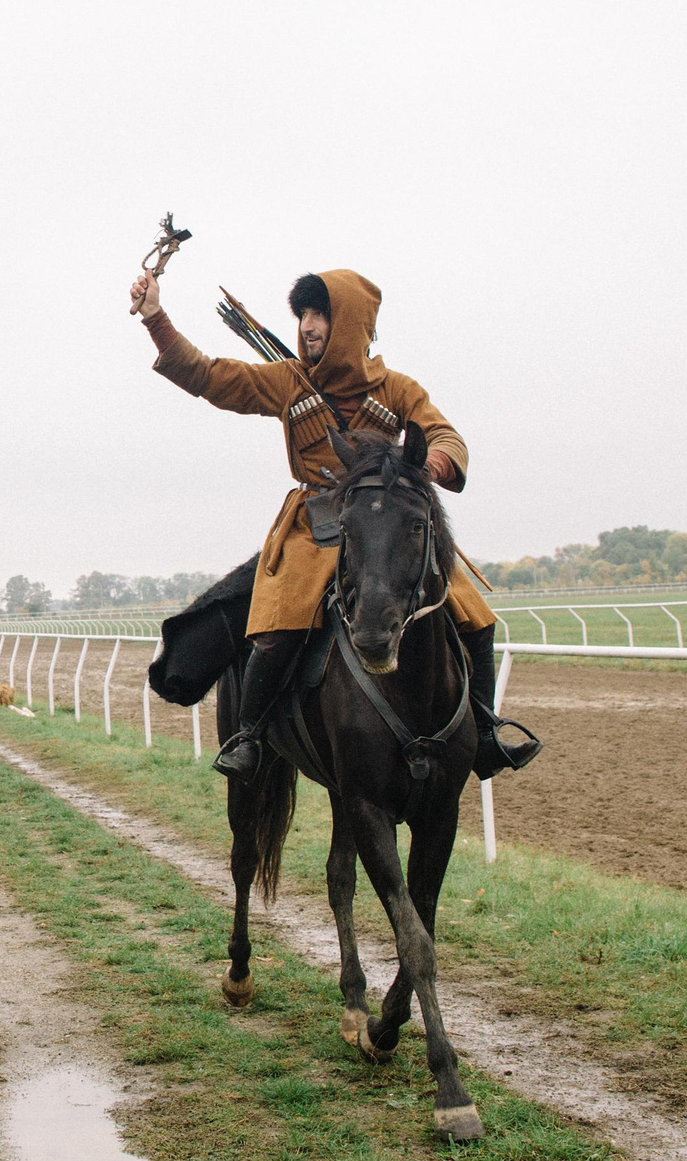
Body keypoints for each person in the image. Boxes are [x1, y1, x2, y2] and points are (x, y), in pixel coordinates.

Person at [128, 264, 538, 783]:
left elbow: (448, 439)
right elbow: (209, 376)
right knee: (280, 623)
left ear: (349, 324)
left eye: (320, 314)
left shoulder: (399, 390)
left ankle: (483, 733)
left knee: (473, 614)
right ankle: (250, 735)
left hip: (386, 521)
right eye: (302, 315)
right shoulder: (287, 382)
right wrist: (155, 318)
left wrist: (422, 467)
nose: (308, 326)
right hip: (314, 524)